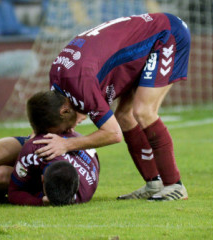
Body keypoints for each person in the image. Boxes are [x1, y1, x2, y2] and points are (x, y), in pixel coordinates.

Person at [34, 13, 190, 201]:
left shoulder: (79, 84)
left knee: (143, 112)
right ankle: (154, 184)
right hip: (140, 46)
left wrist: (67, 144)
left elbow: (113, 134)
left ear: (64, 110)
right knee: (125, 117)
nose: (71, 129)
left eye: (67, 127)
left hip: (166, 35)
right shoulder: (58, 83)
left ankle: (175, 186)